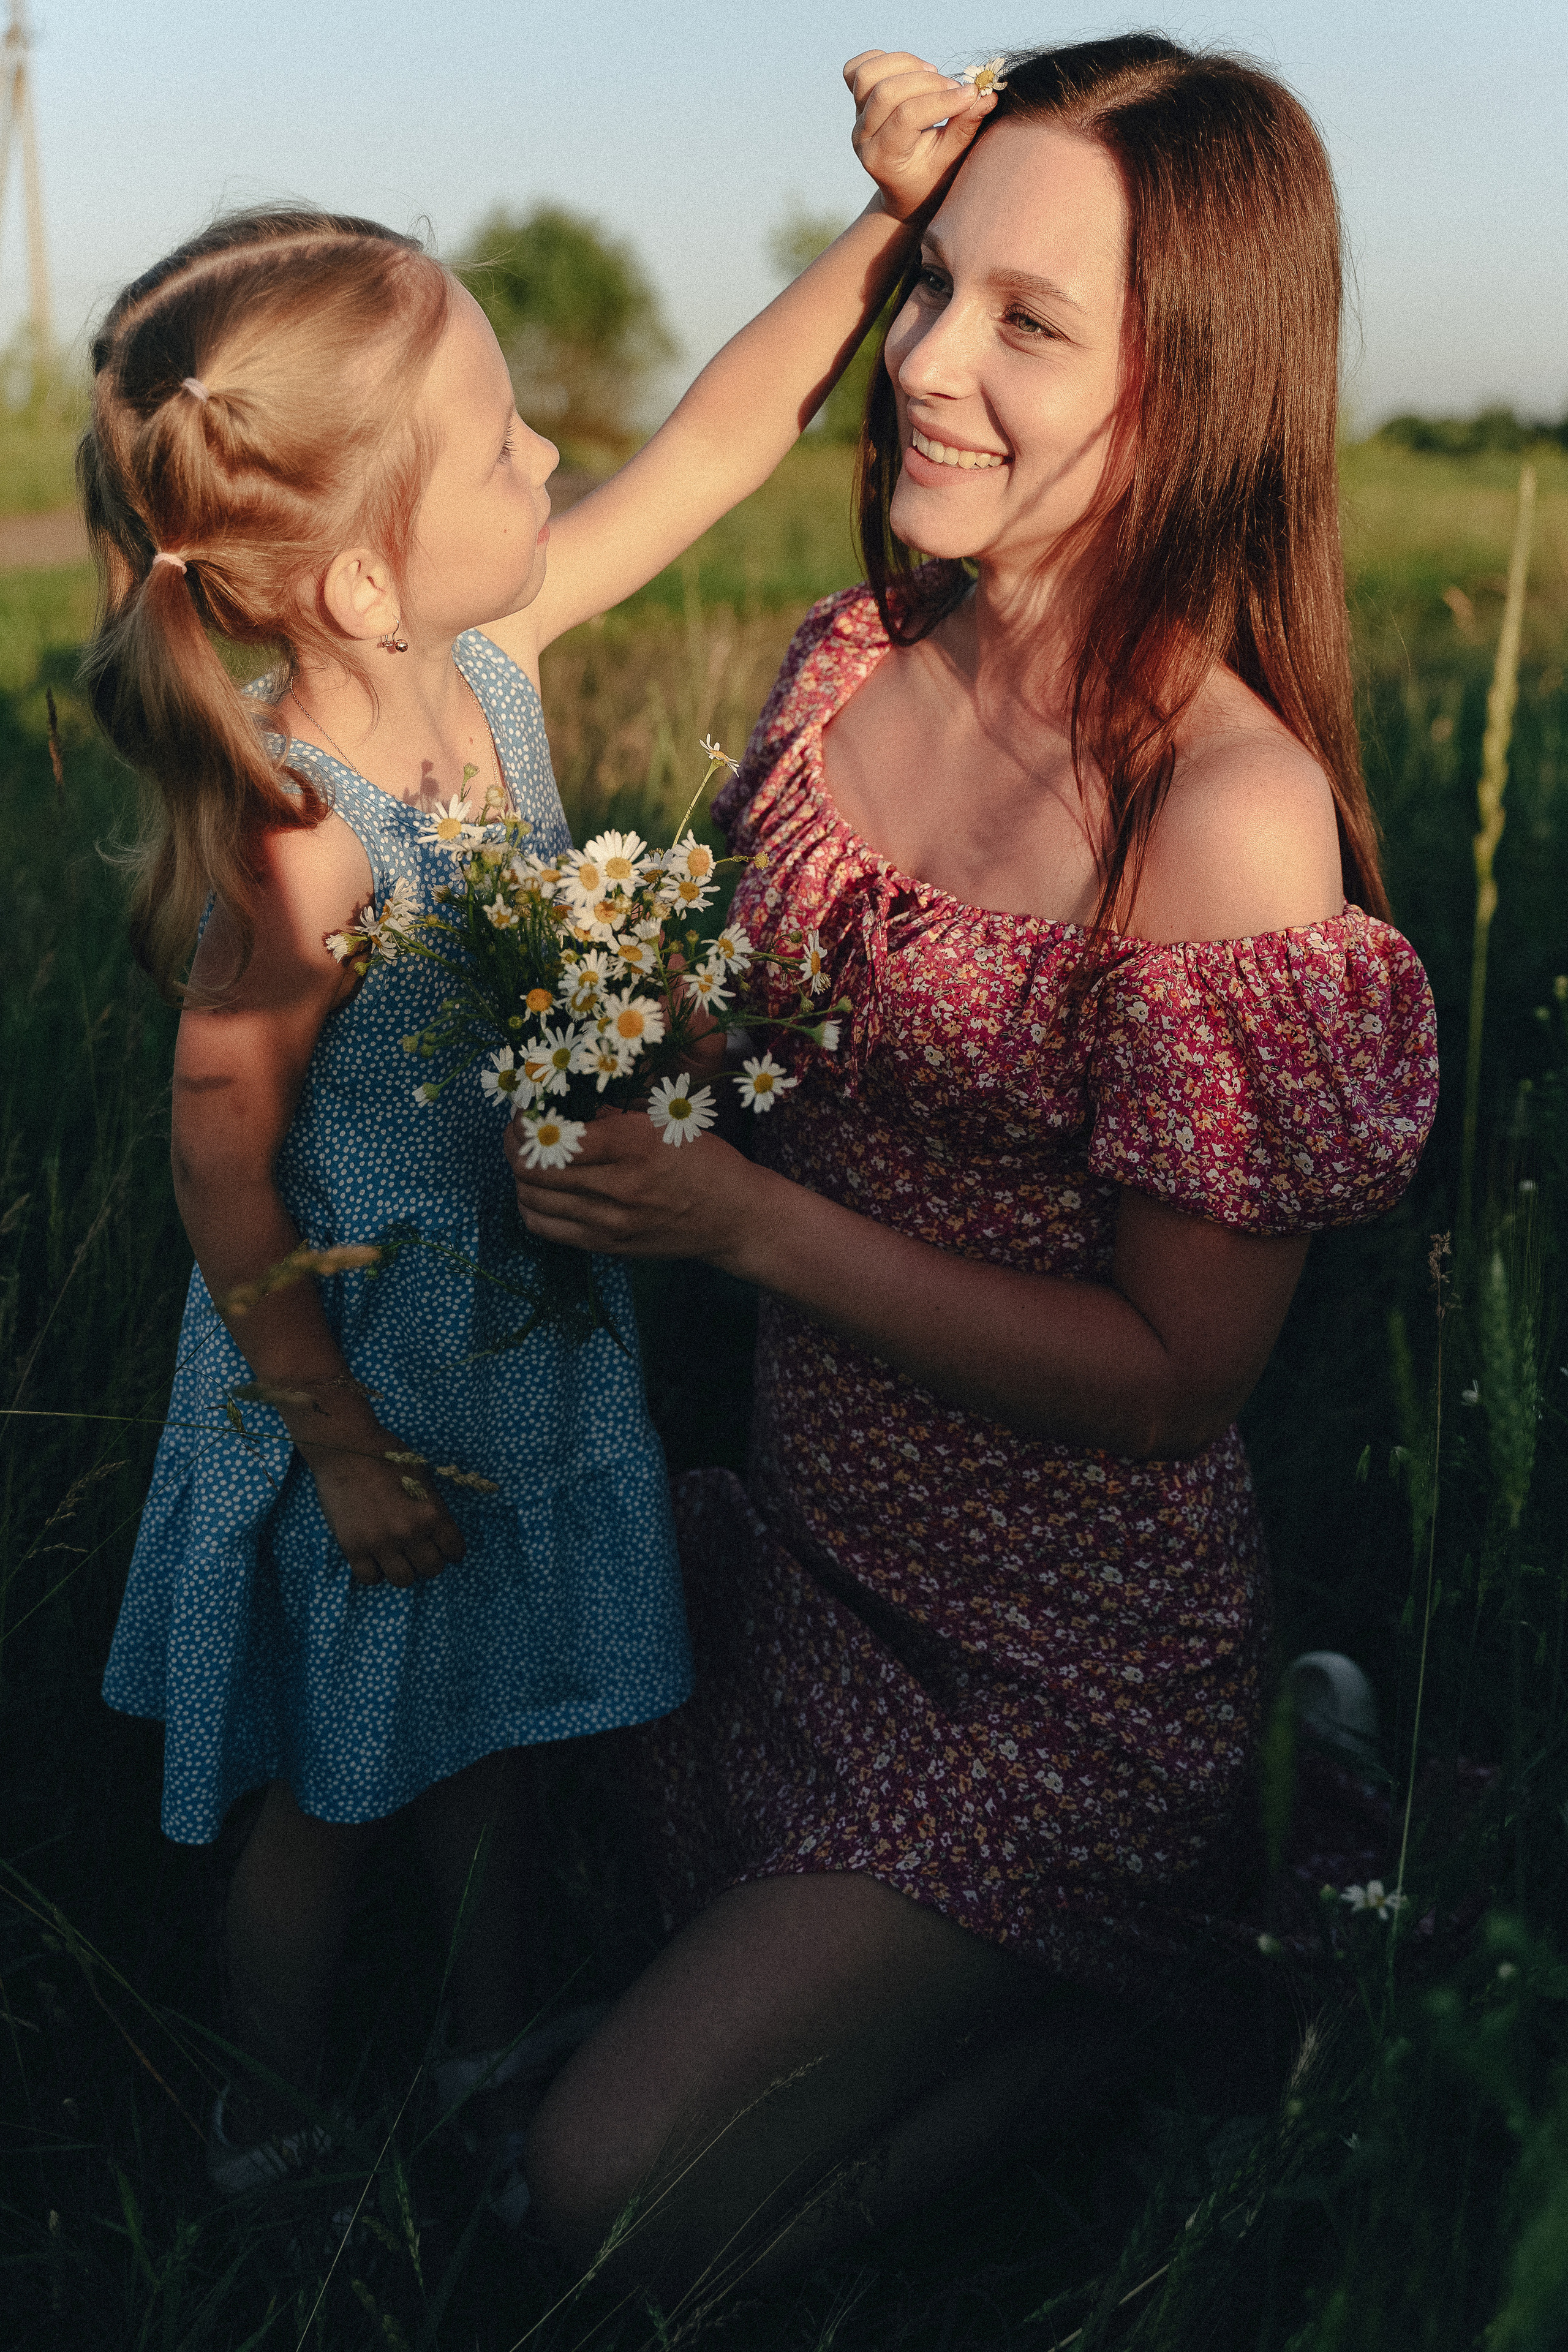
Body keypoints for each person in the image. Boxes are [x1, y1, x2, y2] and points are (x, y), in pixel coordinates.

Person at [507, 34, 1441, 2296]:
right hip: (798, 1551)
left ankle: (1181, 1987)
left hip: (1053, 1670)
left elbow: (1175, 1379)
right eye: (934, 286)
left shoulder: (1219, 816)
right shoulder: (848, 667)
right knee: (458, 1803)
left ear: (1193, 390)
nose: (926, 362)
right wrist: (614, 1044)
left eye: (1031, 321)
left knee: (599, 2204)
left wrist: (744, 1224)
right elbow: (748, 1040)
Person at [88, 53, 995, 2200]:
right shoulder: (303, 836)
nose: (552, 453)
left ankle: (492, 2056)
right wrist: (332, 1444)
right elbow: (220, 1161)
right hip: (372, 1380)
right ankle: (268, 2129)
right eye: (501, 441)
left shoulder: (488, 658)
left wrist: (889, 225)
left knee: (510, 1729)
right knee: (336, 1794)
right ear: (361, 585)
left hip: (525, 1343)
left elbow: (714, 442)